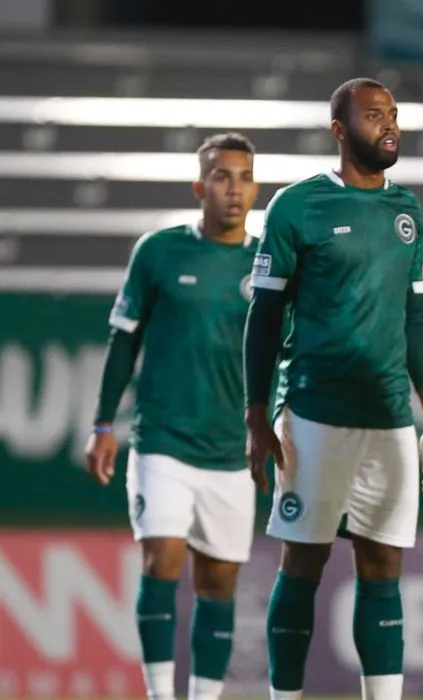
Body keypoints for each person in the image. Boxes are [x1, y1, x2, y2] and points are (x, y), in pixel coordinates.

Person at [243, 77, 423, 700]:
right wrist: (257, 415)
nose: (388, 125)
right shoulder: (297, 206)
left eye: (392, 113)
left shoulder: (407, 210)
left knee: (384, 568)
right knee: (302, 563)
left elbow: (417, 318)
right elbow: (264, 317)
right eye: (372, 116)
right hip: (313, 414)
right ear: (340, 131)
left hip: (388, 419)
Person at [85, 132, 261, 700]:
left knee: (219, 583)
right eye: (220, 176)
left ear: (255, 188)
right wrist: (103, 424)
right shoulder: (158, 252)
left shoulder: (267, 267)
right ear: (198, 186)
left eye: (243, 177)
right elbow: (122, 342)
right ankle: (162, 694)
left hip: (232, 452)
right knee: (161, 559)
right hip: (162, 441)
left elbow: (281, 357)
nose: (233, 188)